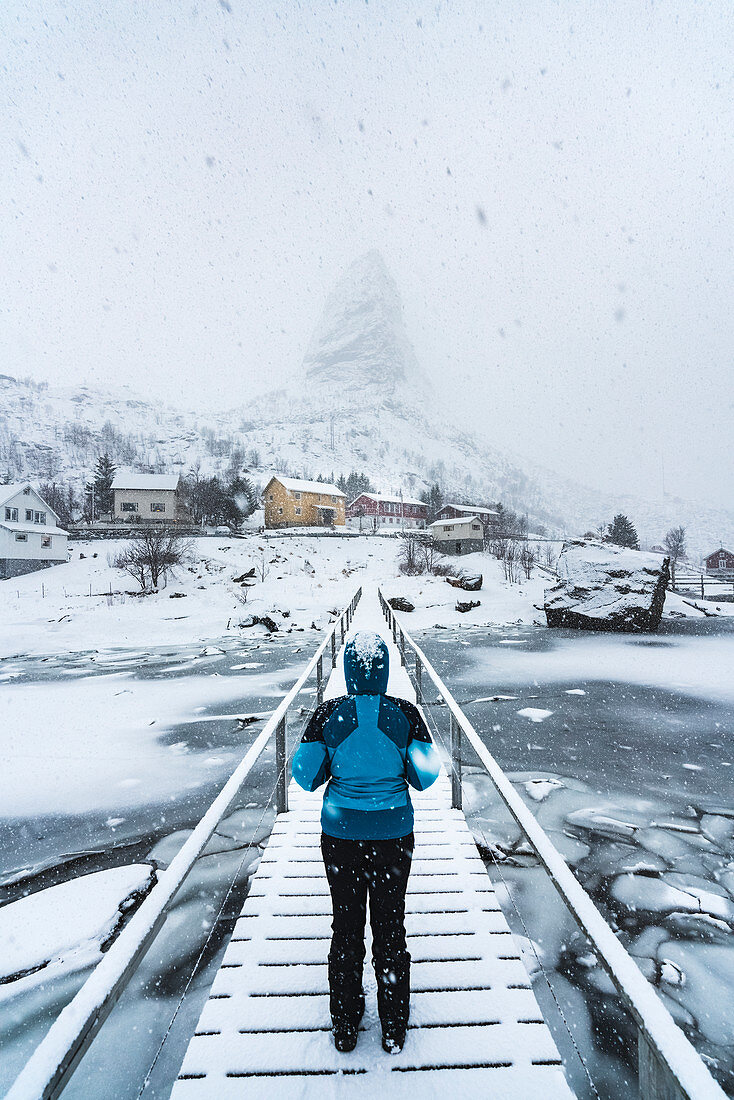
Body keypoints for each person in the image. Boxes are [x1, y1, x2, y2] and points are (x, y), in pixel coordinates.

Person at [292, 629, 440, 1055]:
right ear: (386, 671)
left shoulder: (327, 714)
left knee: (346, 926)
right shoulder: (406, 713)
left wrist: (335, 766)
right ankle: (393, 1025)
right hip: (393, 836)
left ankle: (345, 1024)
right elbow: (426, 777)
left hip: (341, 837)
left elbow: (305, 777)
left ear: (349, 671)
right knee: (391, 926)